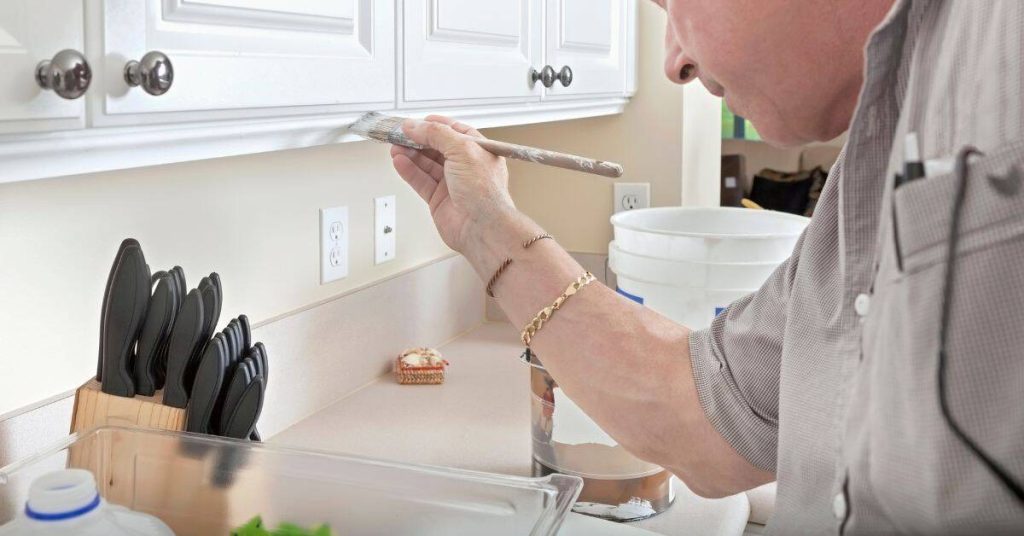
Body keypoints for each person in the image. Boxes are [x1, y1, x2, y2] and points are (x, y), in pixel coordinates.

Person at [389, 0, 1024, 533]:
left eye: (673, 6)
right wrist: (485, 227)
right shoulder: (863, 174)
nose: (674, 62)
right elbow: (712, 420)